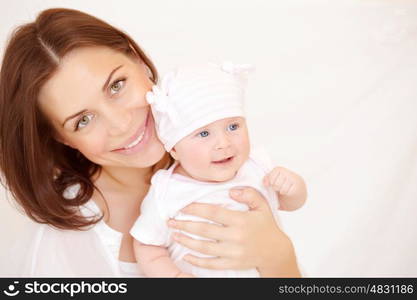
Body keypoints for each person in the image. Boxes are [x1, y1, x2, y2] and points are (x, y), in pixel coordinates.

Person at [0, 8, 301, 277]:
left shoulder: (214, 152)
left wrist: (278, 257)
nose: (121, 124)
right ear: (61, 137)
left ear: (138, 60)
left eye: (117, 85)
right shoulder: (65, 244)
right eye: (83, 120)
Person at [130, 62, 307, 277]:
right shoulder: (166, 191)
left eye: (233, 127)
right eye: (204, 134)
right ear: (174, 148)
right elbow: (147, 245)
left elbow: (289, 203)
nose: (224, 143)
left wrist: (294, 186)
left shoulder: (257, 166)